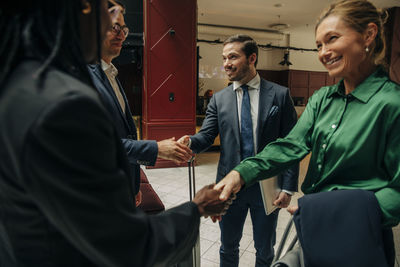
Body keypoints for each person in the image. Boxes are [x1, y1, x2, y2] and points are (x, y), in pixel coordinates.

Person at [0, 1, 230, 266]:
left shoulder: (20, 81)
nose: (116, 29)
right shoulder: (63, 101)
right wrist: (197, 207)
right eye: (107, 10)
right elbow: (129, 247)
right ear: (84, 8)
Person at [214, 1, 400, 266]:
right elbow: (291, 146)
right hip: (315, 227)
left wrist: (333, 211)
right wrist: (241, 172)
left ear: (369, 34)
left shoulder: (392, 103)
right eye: (318, 45)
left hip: (361, 236)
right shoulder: (322, 98)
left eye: (332, 39)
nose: (323, 52)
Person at [179, 34, 299, 267]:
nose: (226, 63)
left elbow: (291, 144)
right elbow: (206, 136)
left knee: (265, 248)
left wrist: (288, 187)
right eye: (224, 58)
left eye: (232, 57)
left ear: (252, 58)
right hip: (228, 186)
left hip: (267, 187)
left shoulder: (280, 95)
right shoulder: (219, 99)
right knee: (228, 246)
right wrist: (190, 143)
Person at [88, 1, 192, 208]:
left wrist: (133, 186)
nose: (121, 35)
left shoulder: (111, 73)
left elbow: (124, 136)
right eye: (113, 27)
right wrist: (156, 149)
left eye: (124, 30)